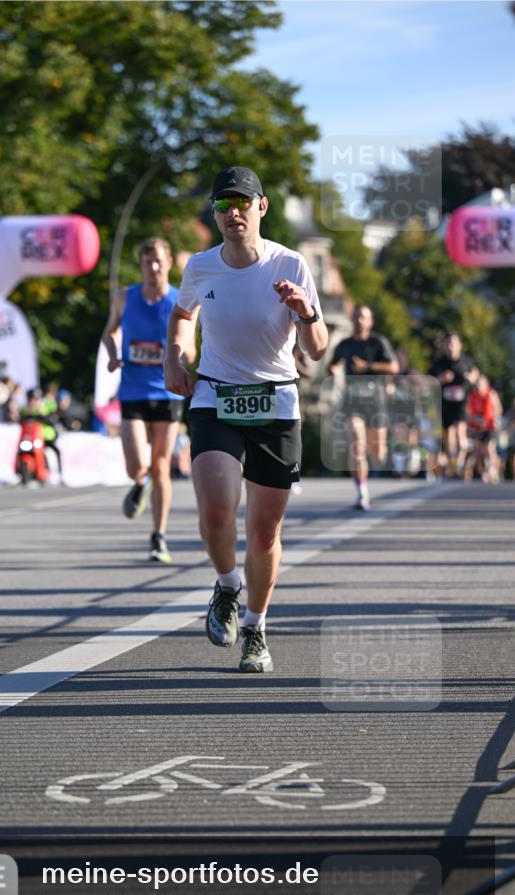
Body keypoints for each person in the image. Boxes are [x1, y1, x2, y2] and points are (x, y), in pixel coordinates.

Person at [165, 166, 328, 673]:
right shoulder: (201, 266)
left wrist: (305, 313)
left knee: (263, 533)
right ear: (214, 213)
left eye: (242, 202)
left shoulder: (292, 263)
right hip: (215, 395)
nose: (232, 211)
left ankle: (256, 627)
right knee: (217, 509)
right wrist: (176, 354)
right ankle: (227, 585)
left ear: (262, 207)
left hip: (276, 403)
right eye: (222, 204)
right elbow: (183, 314)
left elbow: (317, 349)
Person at [101, 236, 198, 564]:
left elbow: (193, 348)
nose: (154, 267)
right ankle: (137, 483)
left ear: (169, 263)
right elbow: (108, 333)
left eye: (159, 260)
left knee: (161, 467)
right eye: (147, 262)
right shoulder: (124, 297)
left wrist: (175, 354)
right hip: (132, 391)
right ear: (141, 265)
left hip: (166, 391)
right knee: (136, 465)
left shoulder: (180, 301)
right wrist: (114, 355)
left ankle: (159, 536)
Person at [327, 305, 399, 510]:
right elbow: (331, 364)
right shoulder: (345, 344)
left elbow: (394, 367)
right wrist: (332, 371)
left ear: (370, 322)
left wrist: (369, 367)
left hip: (375, 402)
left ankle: (376, 461)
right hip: (352, 402)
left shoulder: (378, 342)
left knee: (378, 453)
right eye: (357, 317)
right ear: (352, 319)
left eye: (363, 317)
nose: (359, 320)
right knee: (357, 445)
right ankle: (362, 493)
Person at [430, 331, 478, 478]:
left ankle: (461, 460)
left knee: (459, 433)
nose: (451, 346)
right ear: (444, 345)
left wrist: (471, 377)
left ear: (459, 345)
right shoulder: (439, 362)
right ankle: (453, 466)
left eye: (453, 343)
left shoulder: (466, 361)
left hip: (461, 404)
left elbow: (476, 374)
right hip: (444, 405)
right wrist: (441, 379)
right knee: (448, 438)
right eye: (448, 343)